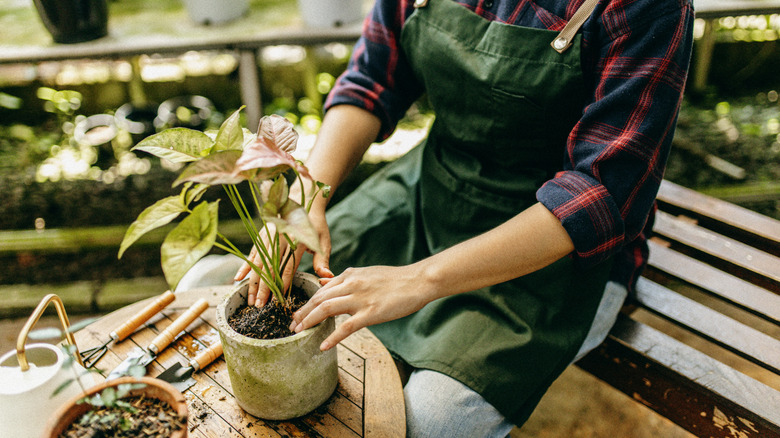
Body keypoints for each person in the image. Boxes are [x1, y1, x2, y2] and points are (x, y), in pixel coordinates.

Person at [234, 0, 695, 435]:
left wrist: (418, 280)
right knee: (224, 285)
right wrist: (305, 201)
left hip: (553, 247)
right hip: (431, 188)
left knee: (427, 424)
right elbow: (372, 79)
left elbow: (602, 193)